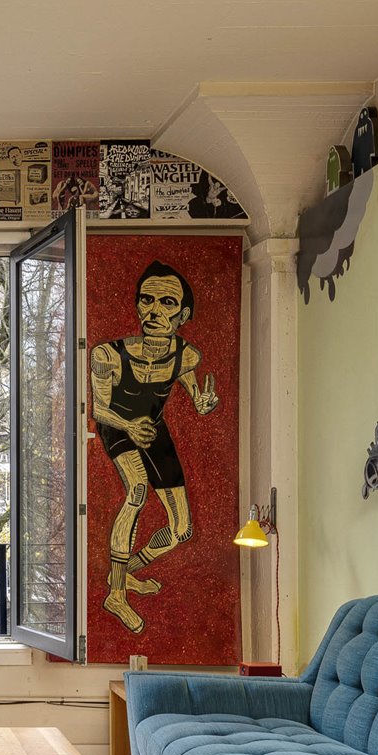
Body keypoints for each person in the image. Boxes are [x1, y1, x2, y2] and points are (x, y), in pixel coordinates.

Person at [90, 262, 219, 635]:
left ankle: (125, 571)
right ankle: (116, 595)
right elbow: (98, 409)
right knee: (137, 491)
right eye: (147, 300)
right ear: (137, 305)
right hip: (118, 425)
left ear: (183, 315)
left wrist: (201, 402)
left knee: (181, 530)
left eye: (167, 303)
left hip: (154, 429)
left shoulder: (186, 356)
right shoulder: (107, 355)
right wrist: (130, 425)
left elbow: (192, 387)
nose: (154, 311)